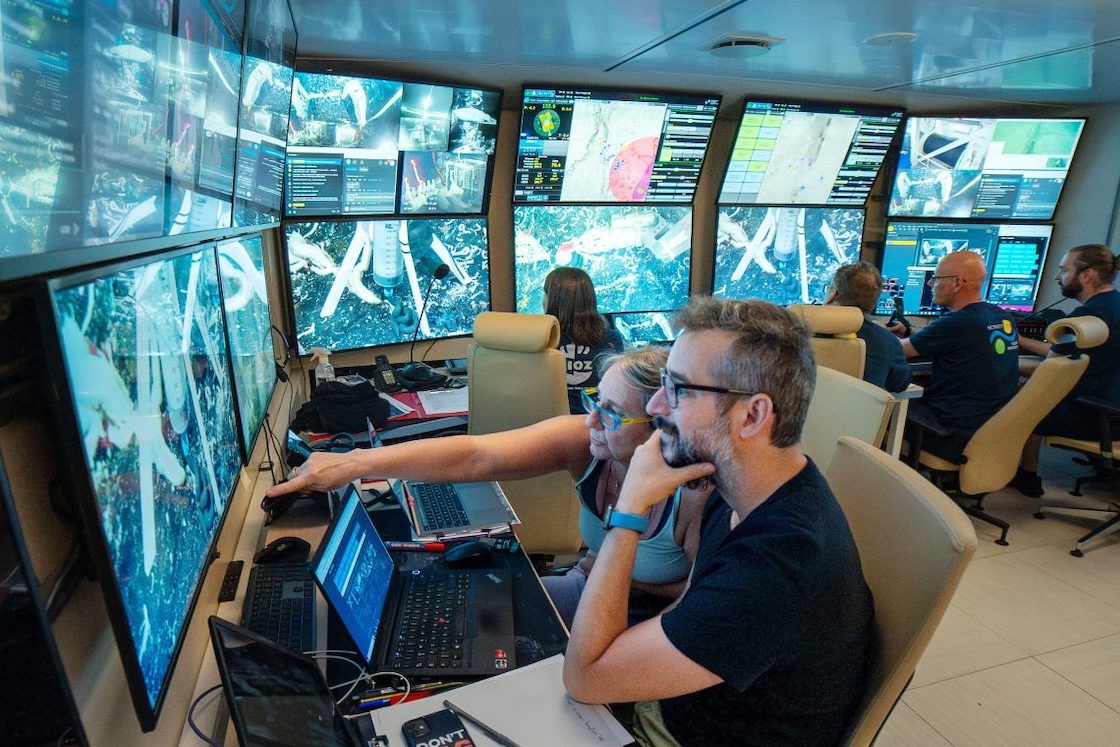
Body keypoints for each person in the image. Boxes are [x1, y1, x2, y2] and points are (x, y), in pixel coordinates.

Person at [563, 297, 874, 747]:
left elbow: (585, 678)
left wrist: (629, 510)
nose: (656, 406)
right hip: (675, 703)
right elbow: (685, 611)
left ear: (752, 415)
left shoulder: (777, 567)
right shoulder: (746, 492)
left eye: (678, 390)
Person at [266, 346, 706, 626]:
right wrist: (353, 463)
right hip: (587, 587)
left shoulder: (695, 497)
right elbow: (478, 455)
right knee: (454, 614)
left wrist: (611, 576)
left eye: (610, 413)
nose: (591, 420)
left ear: (660, 424)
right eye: (594, 401)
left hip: (650, 621)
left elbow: (701, 605)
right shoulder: (589, 443)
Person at [1010, 244, 1120, 497]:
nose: (1057, 277)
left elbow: (1053, 371)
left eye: (1063, 270)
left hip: (1098, 415)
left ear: (1087, 275)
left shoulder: (1090, 315)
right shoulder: (1113, 304)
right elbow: (1061, 354)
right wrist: (1022, 342)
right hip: (1112, 408)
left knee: (1025, 404)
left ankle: (1026, 477)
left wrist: (1003, 360)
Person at [889, 251, 1019, 461]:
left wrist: (875, 333)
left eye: (936, 278)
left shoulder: (958, 322)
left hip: (949, 435)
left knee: (878, 403)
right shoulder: (1001, 316)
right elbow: (957, 340)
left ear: (957, 283)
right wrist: (911, 331)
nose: (930, 283)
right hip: (988, 431)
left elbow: (896, 351)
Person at [543, 267, 624, 414]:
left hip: (550, 423)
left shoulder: (538, 341)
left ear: (551, 301)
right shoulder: (612, 339)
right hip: (597, 420)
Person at [824, 262, 912, 392]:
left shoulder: (800, 331)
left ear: (833, 294)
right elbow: (900, 384)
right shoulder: (887, 342)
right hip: (856, 405)